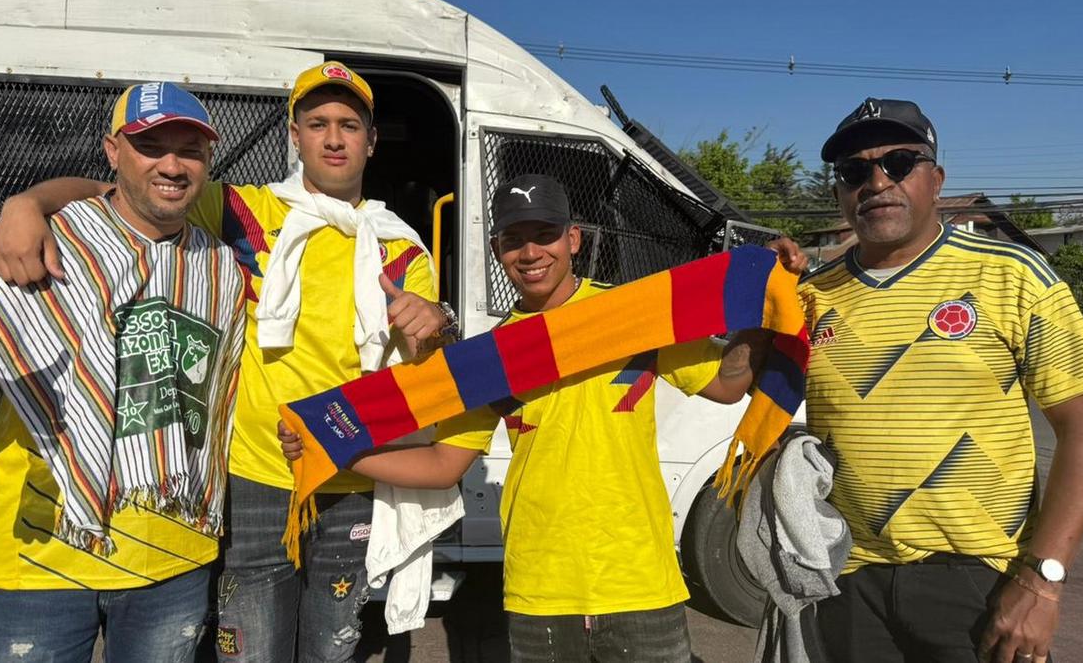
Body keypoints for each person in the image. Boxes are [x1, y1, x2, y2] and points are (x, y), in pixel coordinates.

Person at [0, 62, 452, 661]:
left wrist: (436, 324)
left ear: (371, 139)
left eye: (348, 125)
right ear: (294, 135)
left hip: (349, 478)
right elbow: (130, 191)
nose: (334, 138)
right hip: (250, 475)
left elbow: (423, 376)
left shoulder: (402, 248)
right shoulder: (239, 210)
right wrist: (27, 203)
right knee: (249, 649)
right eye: (317, 123)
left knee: (333, 647)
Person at [279, 173, 788, 662]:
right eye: (514, 239)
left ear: (573, 239)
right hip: (538, 590)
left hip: (641, 582)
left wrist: (765, 307)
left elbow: (728, 385)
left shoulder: (634, 317)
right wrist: (338, 449)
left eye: (545, 235)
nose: (530, 253)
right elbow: (441, 465)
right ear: (498, 250)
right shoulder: (489, 360)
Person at [801, 97, 1083, 663]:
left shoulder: (1010, 275)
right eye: (855, 171)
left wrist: (1043, 579)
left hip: (979, 581)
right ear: (839, 193)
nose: (876, 181)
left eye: (898, 162)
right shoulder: (810, 295)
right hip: (846, 576)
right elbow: (740, 385)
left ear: (936, 179)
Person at [0, 82, 246, 661]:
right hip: (40, 554)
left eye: (190, 149)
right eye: (151, 145)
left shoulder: (222, 267)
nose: (172, 165)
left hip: (173, 557)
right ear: (112, 152)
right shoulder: (40, 240)